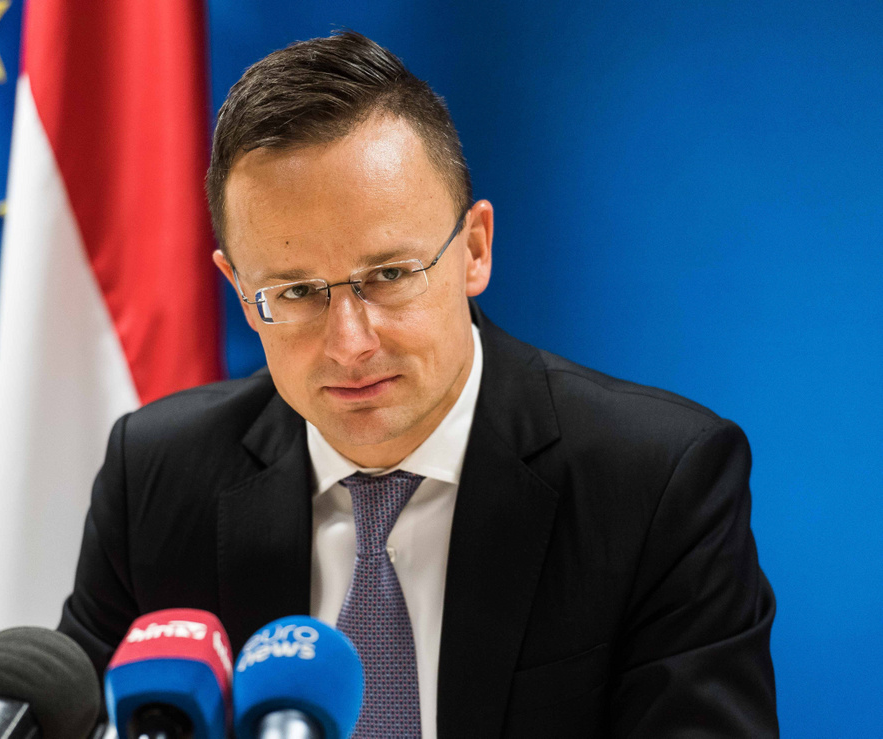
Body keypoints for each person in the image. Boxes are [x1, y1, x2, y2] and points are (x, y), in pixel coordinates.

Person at [58, 30, 778, 737]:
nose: (350, 343)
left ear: (475, 250)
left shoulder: (656, 483)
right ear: (243, 293)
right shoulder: (156, 477)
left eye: (389, 275)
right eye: (297, 291)